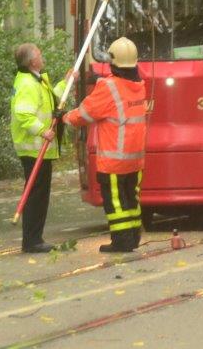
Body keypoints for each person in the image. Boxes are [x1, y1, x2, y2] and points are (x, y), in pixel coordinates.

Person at [64, 37, 148, 253]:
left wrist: (65, 117)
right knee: (131, 199)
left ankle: (121, 242)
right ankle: (133, 238)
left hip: (113, 161)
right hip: (135, 160)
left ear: (113, 62)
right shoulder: (139, 86)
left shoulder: (108, 87)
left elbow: (85, 113)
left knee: (116, 205)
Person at [11, 43, 61, 254]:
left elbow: (51, 98)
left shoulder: (36, 79)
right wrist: (42, 131)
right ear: (32, 61)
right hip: (34, 148)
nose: (42, 57)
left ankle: (34, 238)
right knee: (36, 195)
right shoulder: (28, 84)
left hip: (40, 148)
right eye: (39, 54)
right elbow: (23, 114)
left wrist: (68, 81)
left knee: (39, 194)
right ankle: (32, 241)